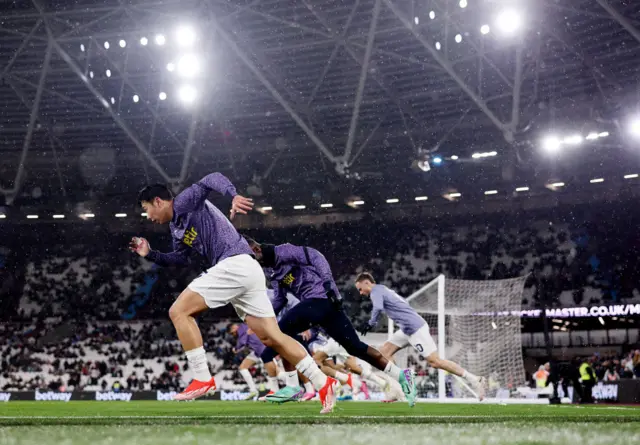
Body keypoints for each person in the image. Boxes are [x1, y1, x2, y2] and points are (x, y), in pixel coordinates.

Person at [129, 173, 337, 413]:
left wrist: (234, 195)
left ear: (158, 201)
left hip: (234, 264)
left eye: (146, 209)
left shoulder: (184, 201)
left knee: (179, 311)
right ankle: (323, 382)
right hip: (246, 271)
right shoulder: (176, 229)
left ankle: (202, 378)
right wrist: (150, 254)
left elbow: (211, 179)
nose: (148, 217)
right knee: (272, 337)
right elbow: (180, 258)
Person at [244, 237, 417, 407]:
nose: (252, 264)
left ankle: (293, 387)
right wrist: (265, 316)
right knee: (355, 347)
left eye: (250, 259)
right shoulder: (270, 271)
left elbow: (315, 256)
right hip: (319, 307)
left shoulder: (283, 251)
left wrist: (328, 282)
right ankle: (402, 376)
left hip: (322, 299)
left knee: (279, 334)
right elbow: (280, 298)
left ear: (256, 250)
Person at [354, 272, 487, 400]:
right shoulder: (384, 290)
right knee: (382, 353)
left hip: (415, 329)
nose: (361, 293)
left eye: (360, 289)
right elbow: (403, 304)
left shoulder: (376, 291)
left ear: (367, 282)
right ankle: (398, 387)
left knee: (435, 362)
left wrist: (370, 323)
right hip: (406, 329)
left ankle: (475, 379)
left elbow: (377, 307)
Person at [229, 323, 279, 400]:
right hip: (257, 351)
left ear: (234, 327)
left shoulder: (241, 328)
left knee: (278, 373)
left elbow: (242, 342)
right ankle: (253, 390)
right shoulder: (245, 326)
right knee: (242, 367)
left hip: (263, 350)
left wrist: (236, 348)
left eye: (232, 332)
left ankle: (293, 386)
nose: (233, 334)